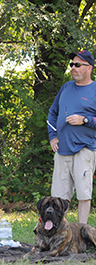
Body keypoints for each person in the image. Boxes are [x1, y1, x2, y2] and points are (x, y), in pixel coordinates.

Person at [47, 50, 96, 224]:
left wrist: (84, 120)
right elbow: (52, 113)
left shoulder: (94, 90)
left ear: (89, 68)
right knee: (58, 196)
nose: (73, 68)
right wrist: (53, 137)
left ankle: (82, 233)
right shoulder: (66, 87)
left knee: (83, 194)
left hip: (84, 148)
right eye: (72, 65)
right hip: (62, 149)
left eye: (77, 65)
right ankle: (59, 233)